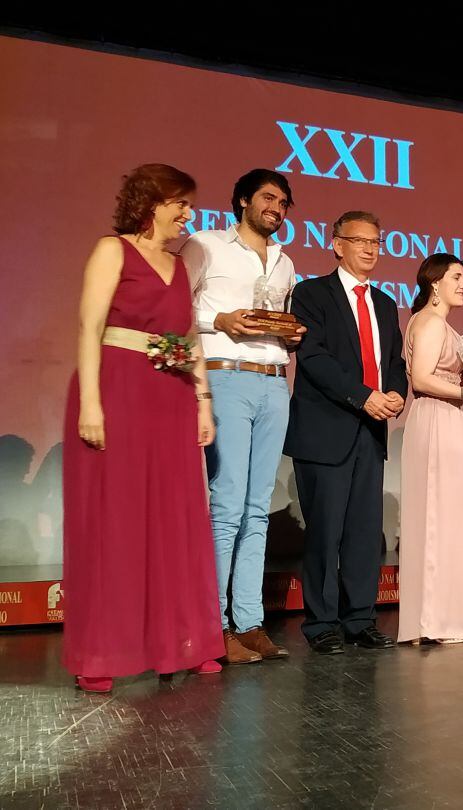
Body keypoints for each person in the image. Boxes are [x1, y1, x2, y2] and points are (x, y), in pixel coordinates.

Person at [63, 164, 223, 692]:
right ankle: (101, 653)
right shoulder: (113, 250)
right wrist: (91, 402)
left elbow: (189, 340)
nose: (189, 215)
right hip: (117, 390)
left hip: (171, 397)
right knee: (115, 520)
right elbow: (90, 324)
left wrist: (202, 403)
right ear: (153, 202)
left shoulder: (179, 267)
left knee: (175, 519)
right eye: (182, 203)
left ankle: (184, 641)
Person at [182, 168, 302, 664]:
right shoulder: (205, 244)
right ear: (242, 201)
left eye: (284, 202)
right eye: (268, 198)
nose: (277, 207)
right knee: (227, 503)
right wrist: (219, 321)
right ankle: (213, 624)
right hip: (224, 374)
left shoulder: (286, 261)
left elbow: (279, 323)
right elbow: (175, 310)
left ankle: (249, 622)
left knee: (257, 507)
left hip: (273, 381)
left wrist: (292, 336)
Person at [283, 210, 407, 654]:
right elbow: (313, 359)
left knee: (362, 531)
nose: (370, 249)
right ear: (336, 244)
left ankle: (360, 618)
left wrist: (394, 393)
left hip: (371, 432)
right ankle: (321, 623)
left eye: (376, 241)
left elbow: (395, 362)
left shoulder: (387, 303)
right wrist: (363, 396)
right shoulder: (311, 294)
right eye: (360, 241)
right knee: (325, 531)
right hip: (325, 430)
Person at [397, 254, 463, 644]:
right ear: (434, 282)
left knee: (443, 516)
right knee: (440, 516)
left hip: (444, 419)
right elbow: (421, 378)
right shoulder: (432, 322)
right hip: (439, 418)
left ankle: (437, 617)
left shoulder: (432, 322)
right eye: (456, 277)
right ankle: (437, 620)